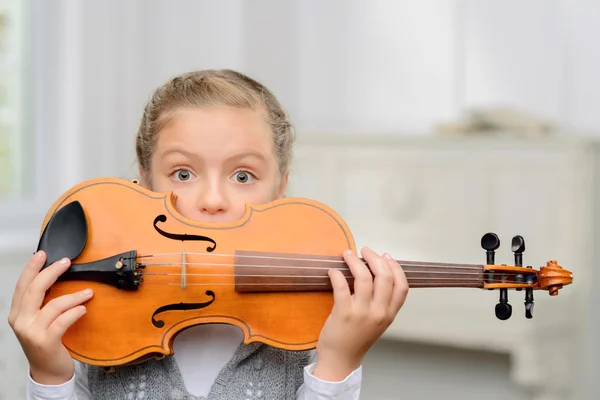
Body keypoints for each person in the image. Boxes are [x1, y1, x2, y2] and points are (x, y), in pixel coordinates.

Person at [8, 69, 409, 399]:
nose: (213, 200)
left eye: (242, 175)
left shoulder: (311, 324)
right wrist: (48, 373)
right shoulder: (98, 316)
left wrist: (339, 361)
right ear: (143, 183)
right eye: (183, 174)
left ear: (280, 188)